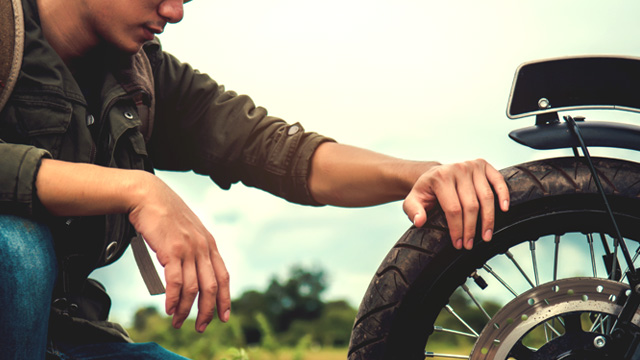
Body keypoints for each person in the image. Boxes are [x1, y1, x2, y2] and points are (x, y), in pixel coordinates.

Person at [0, 0, 510, 359]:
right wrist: (138, 189)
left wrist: (420, 173)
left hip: (70, 338)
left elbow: (278, 152)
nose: (176, 11)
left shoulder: (143, 78)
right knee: (16, 245)